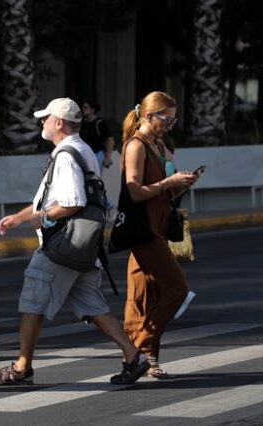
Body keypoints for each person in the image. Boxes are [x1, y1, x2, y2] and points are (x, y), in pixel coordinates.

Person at [0, 98, 150, 386]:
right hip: (82, 247)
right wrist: (22, 217)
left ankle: (22, 368)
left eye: (45, 118)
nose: (42, 122)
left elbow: (73, 202)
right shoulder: (81, 149)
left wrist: (43, 217)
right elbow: (50, 197)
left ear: (58, 122)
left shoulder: (65, 155)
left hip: (62, 246)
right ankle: (134, 355)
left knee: (32, 302)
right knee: (93, 306)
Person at [119, 91, 198, 378]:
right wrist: (169, 182)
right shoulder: (136, 146)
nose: (169, 125)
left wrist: (183, 183)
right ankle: (138, 350)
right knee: (177, 290)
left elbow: (168, 190)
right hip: (144, 229)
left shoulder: (159, 145)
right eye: (166, 119)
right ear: (148, 116)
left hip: (160, 225)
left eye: (173, 121)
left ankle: (146, 358)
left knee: (142, 295)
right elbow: (135, 191)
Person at [80, 100, 115, 170]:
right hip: (85, 155)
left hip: (97, 155)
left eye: (85, 108)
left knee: (95, 178)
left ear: (93, 110)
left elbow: (110, 140)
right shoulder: (83, 123)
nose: (83, 109)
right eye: (83, 107)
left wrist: (107, 157)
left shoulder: (99, 123)